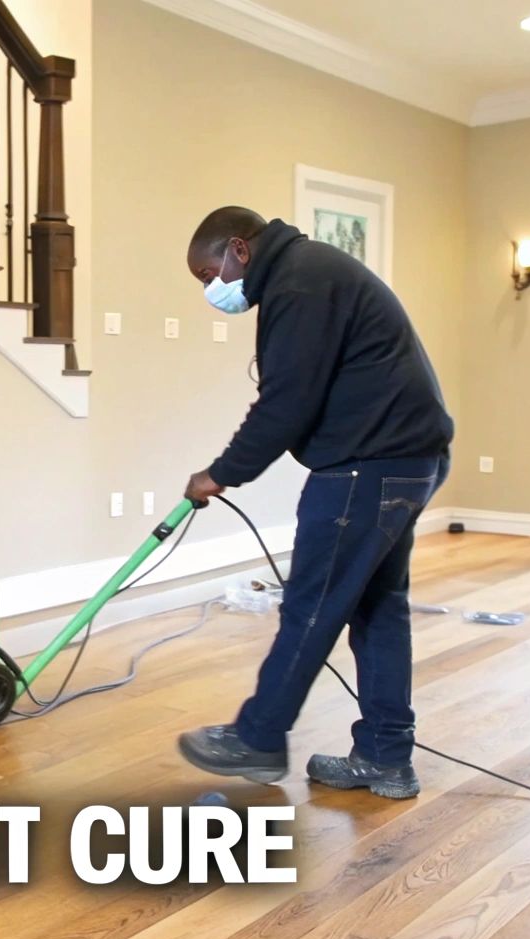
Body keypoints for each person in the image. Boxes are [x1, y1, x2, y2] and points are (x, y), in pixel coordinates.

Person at [178, 206, 453, 799]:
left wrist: (220, 474)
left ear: (238, 250)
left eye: (209, 275)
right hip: (407, 459)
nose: (213, 289)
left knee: (312, 606)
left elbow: (287, 402)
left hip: (367, 466)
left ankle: (258, 737)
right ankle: (384, 757)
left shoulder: (299, 283)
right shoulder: (307, 271)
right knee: (378, 609)